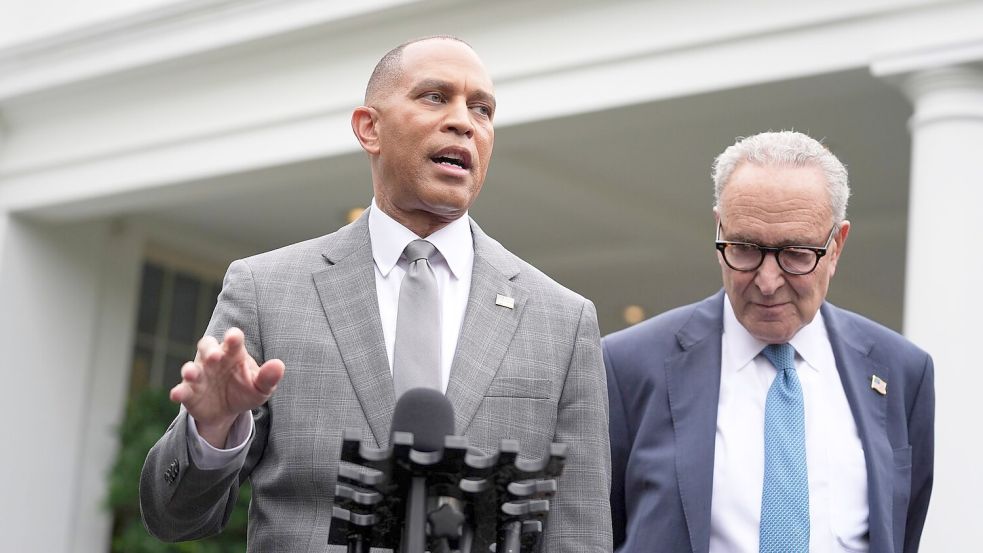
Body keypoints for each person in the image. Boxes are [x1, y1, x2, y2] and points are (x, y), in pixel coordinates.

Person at [140, 36, 611, 552]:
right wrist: (212, 429)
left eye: (482, 109)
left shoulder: (562, 321)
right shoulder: (267, 290)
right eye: (435, 97)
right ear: (370, 128)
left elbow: (579, 535)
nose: (464, 121)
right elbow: (174, 518)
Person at [604, 131, 933, 553]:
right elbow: (598, 531)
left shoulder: (901, 370)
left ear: (836, 247)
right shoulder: (628, 363)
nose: (767, 280)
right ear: (718, 229)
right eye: (744, 248)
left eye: (796, 254)